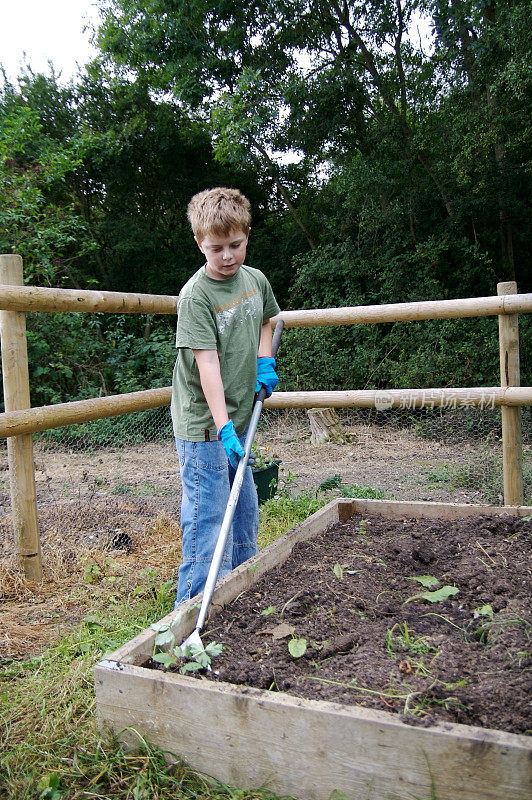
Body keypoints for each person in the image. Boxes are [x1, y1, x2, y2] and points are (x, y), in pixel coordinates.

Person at [170, 187, 281, 606]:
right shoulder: (195, 296)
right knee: (208, 521)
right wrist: (223, 428)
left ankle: (240, 599)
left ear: (247, 235)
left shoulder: (255, 281)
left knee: (244, 515)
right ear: (200, 243)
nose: (228, 256)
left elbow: (269, 321)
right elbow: (207, 365)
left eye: (235, 245)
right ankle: (191, 610)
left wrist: (264, 361)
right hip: (206, 426)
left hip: (238, 417)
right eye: (216, 248)